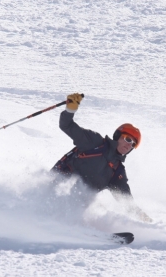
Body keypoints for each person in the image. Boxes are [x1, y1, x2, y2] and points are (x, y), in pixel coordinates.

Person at [52, 93, 151, 222]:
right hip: (54, 189)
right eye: (127, 139)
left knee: (93, 209)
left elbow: (126, 202)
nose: (129, 145)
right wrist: (70, 109)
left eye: (133, 144)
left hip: (75, 208)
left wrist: (145, 220)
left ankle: (80, 229)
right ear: (117, 135)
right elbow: (66, 125)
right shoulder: (95, 143)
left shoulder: (117, 171)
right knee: (60, 202)